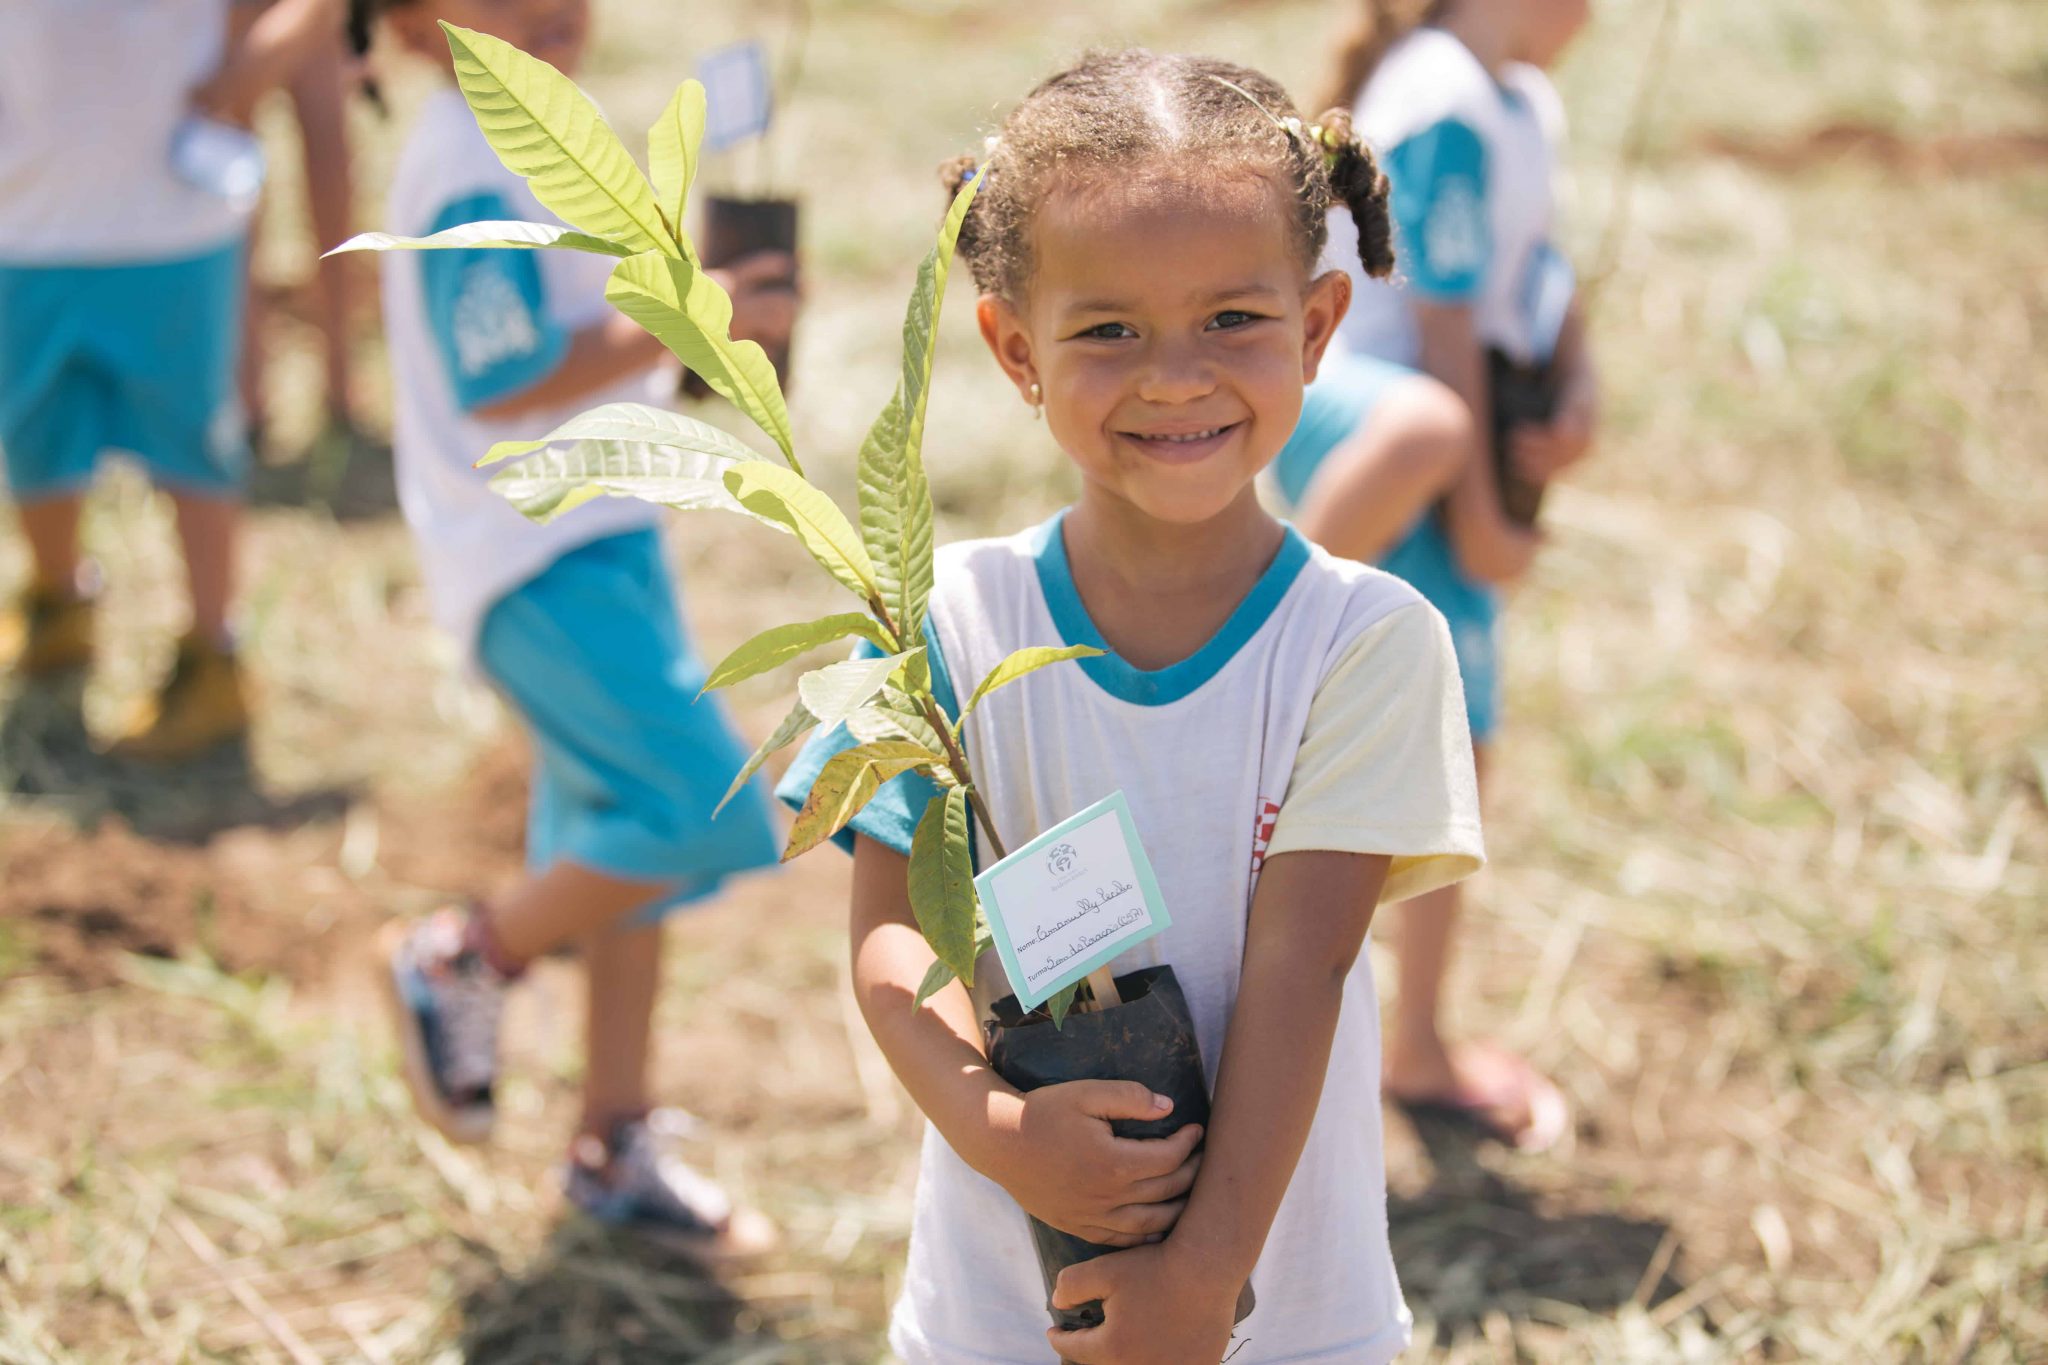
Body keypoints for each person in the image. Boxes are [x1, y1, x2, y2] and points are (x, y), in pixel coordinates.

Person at [779, 51, 1484, 1365]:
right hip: (1003, 1313)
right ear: (1013, 349)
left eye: (1233, 319)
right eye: (1107, 330)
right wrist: (997, 1128)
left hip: (1278, 1315)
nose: (1174, 377)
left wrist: (1203, 1279)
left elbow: (1300, 967)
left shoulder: (1362, 647)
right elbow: (891, 943)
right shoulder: (949, 627)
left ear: (1320, 326)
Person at [368, 0, 793, 1252]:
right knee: (700, 807)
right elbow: (495, 371)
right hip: (534, 554)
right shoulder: (464, 160)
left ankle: (612, 1144)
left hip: (598, 536)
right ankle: (466, 958)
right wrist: (691, 312)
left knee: (626, 851)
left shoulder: (525, 132)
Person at [1268, 0, 1599, 1151]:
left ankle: (1411, 1043)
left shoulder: (1520, 103)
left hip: (1453, 425)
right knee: (1423, 433)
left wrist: (1574, 399)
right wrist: (1483, 528)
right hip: (1378, 421)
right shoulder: (1444, 96)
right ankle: (1263, 634)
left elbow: (1541, 283)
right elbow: (1445, 331)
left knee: (1461, 736)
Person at [0, 0, 342, 760]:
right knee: (32, 434)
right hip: (21, 218)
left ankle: (213, 655)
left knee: (192, 441)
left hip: (170, 217)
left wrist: (251, 69)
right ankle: (58, 605)